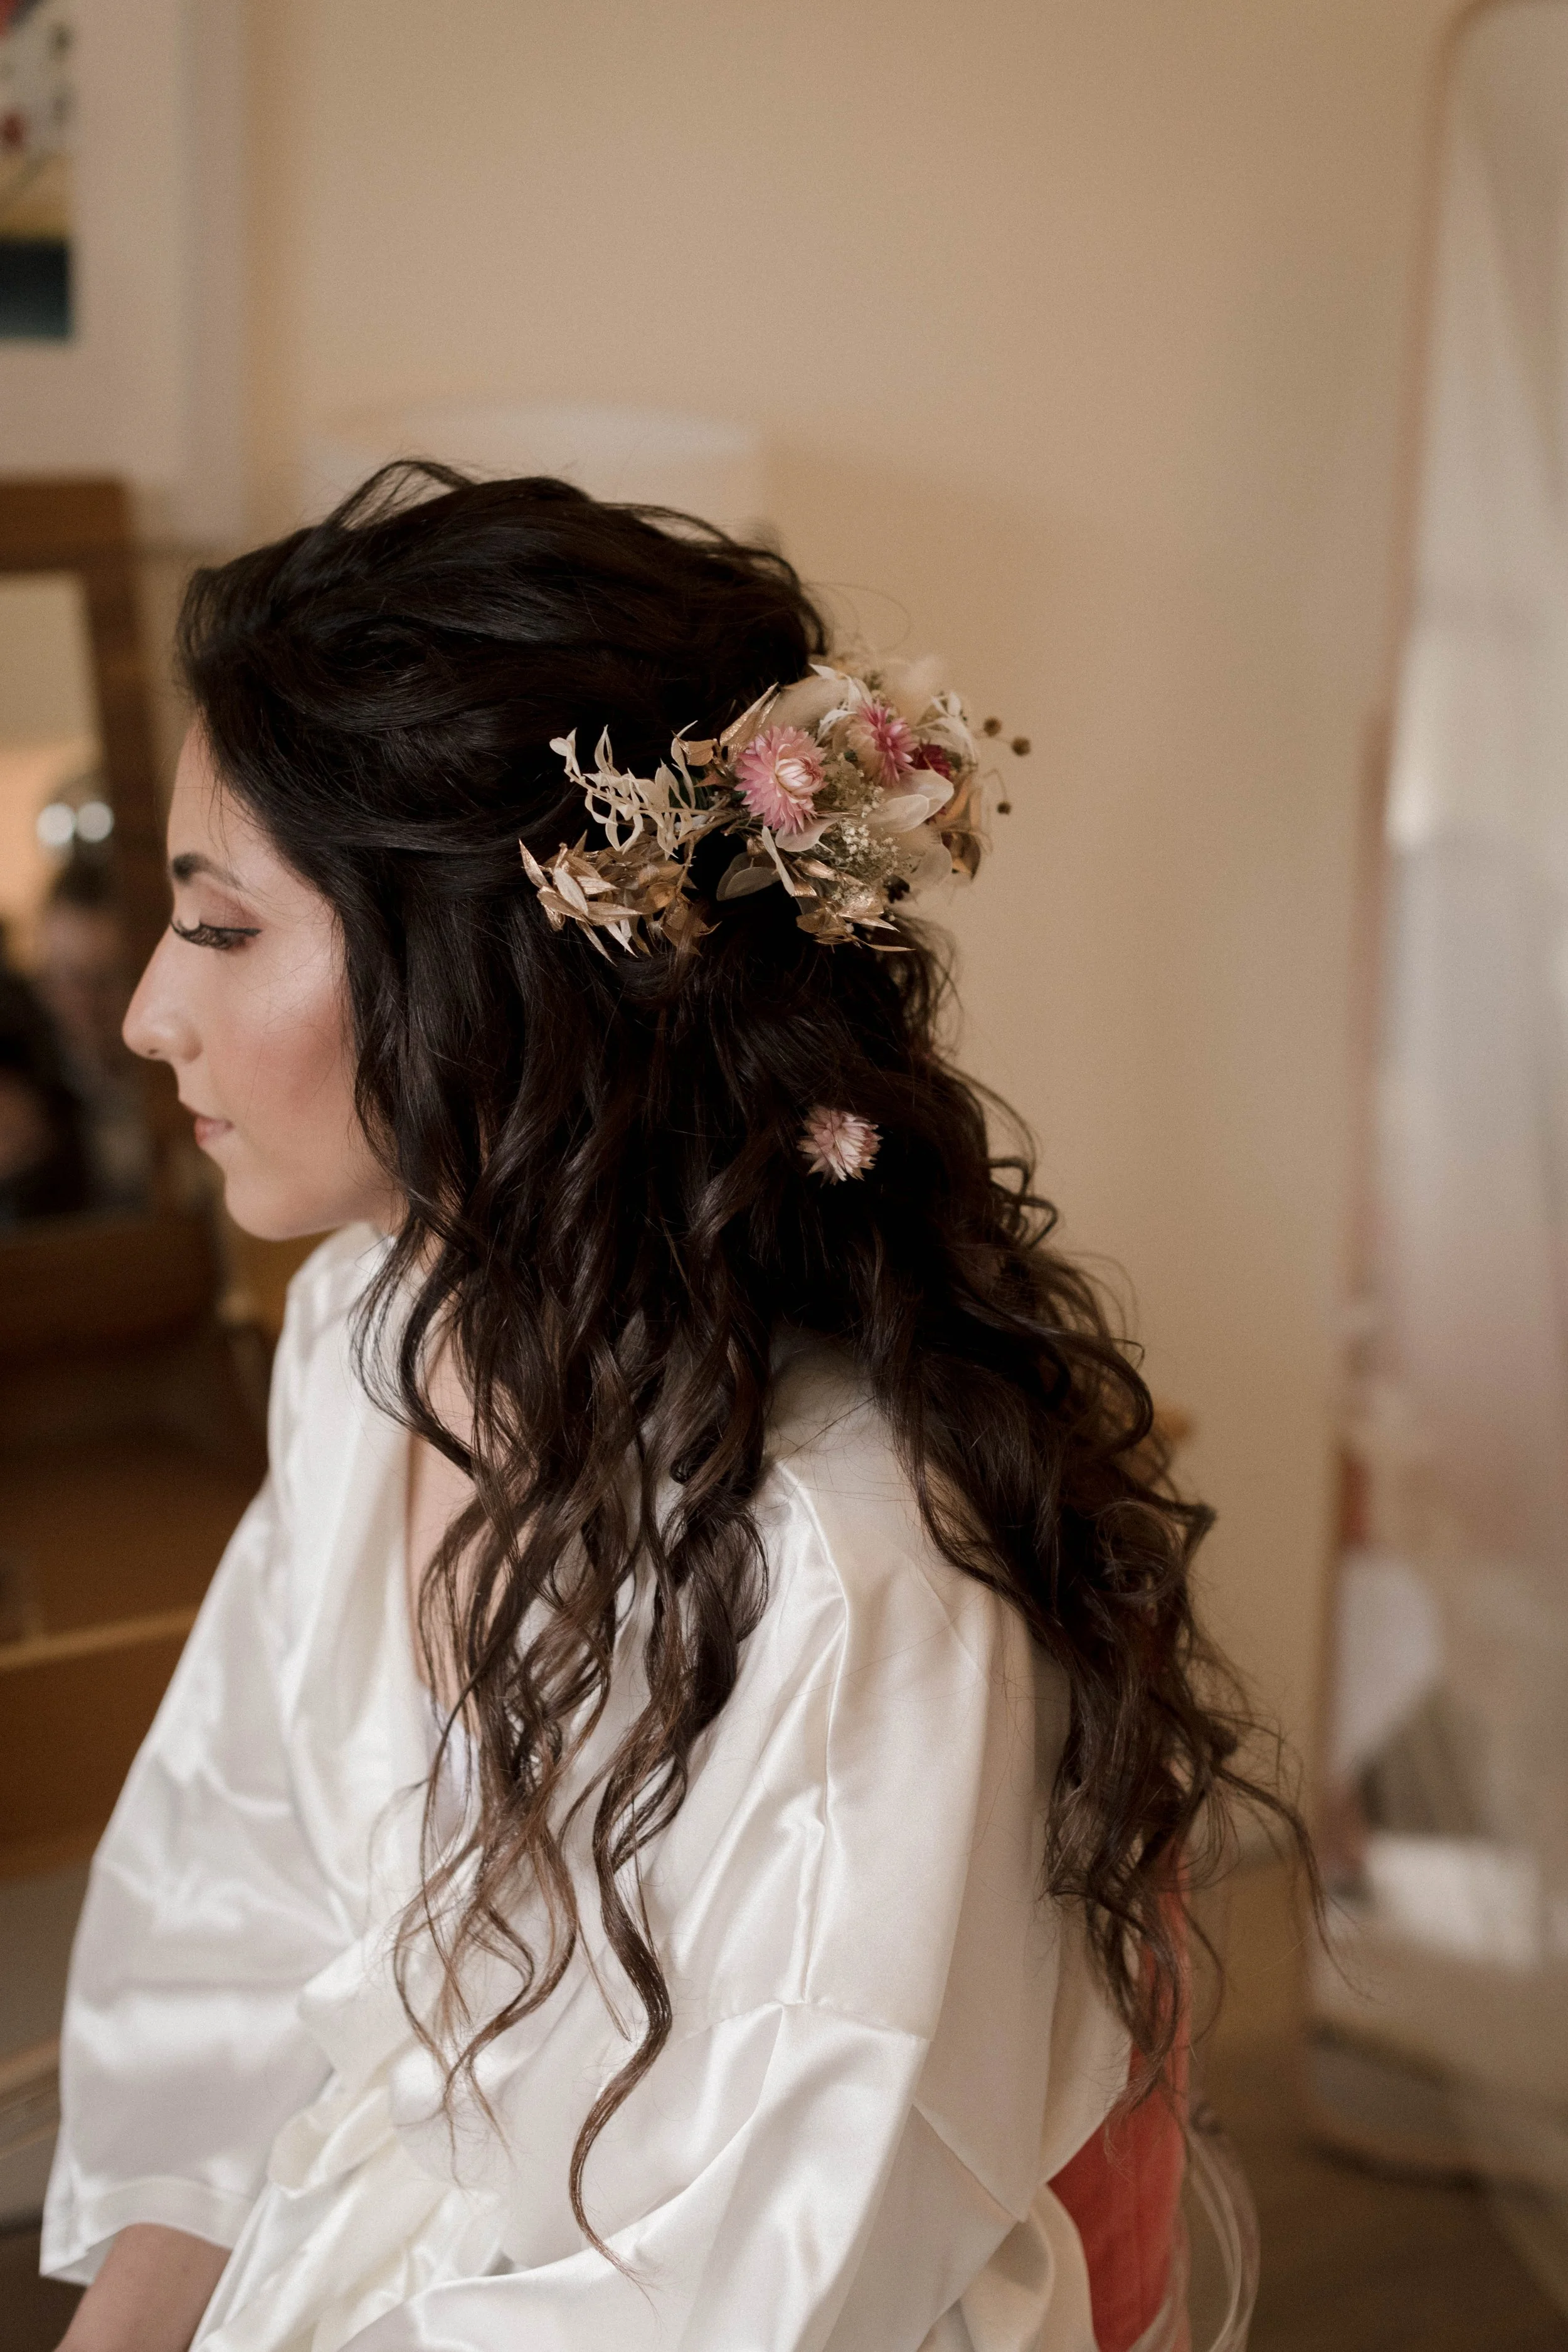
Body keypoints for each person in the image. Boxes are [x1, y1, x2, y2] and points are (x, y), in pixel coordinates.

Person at [45, 466, 1293, 2352]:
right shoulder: (366, 1338)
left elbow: (741, 2287)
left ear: (488, 974)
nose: (144, 1012)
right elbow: (230, 1916)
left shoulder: (849, 1569)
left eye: (219, 929)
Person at [33, 859, 152, 1212]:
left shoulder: (177, 1086)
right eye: (68, 978)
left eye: (106, 981)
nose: (84, 1004)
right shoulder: (28, 1087)